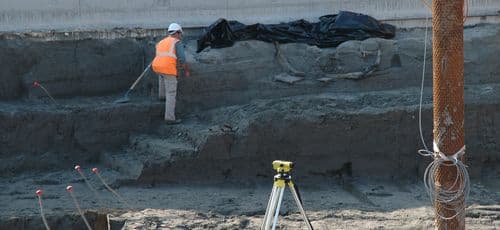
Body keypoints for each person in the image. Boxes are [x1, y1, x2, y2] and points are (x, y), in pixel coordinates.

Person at [152, 23, 190, 124]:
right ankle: (170, 118)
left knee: (162, 77)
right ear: (177, 33)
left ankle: (161, 96)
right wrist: (185, 70)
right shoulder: (176, 42)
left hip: (157, 66)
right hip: (167, 68)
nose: (180, 36)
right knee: (171, 92)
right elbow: (182, 58)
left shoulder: (161, 42)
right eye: (180, 34)